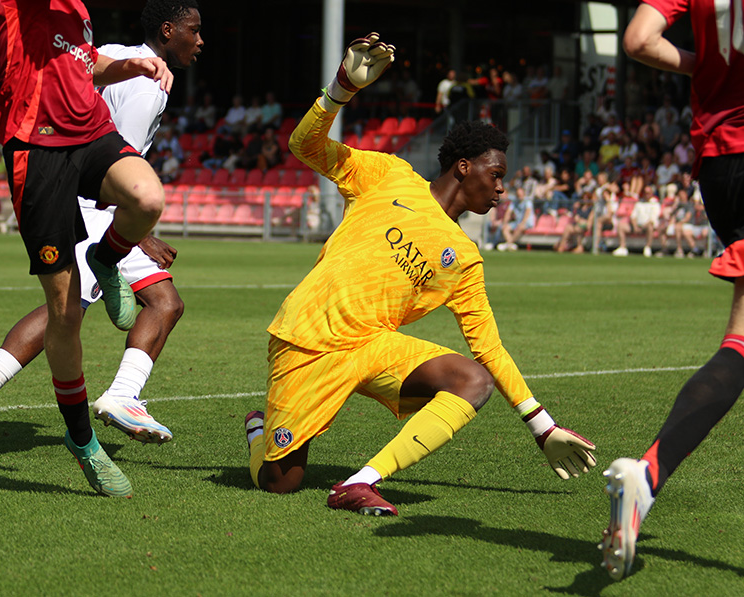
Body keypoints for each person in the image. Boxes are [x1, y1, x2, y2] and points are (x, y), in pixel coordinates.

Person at [244, 33, 597, 517]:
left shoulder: (466, 258)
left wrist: (543, 427)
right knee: (280, 483)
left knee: (472, 381)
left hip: (372, 344)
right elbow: (303, 144)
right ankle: (259, 433)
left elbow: (488, 347)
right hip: (308, 337)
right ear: (464, 166)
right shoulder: (389, 175)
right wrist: (342, 87)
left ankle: (360, 482)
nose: (500, 190)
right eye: (495, 176)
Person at [0, 0, 200, 496]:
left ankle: (120, 394)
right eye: (194, 31)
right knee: (68, 310)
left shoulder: (124, 58)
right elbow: (110, 157)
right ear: (168, 31)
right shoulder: (149, 84)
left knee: (163, 302)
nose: (200, 41)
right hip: (90, 206)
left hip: (96, 202)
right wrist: (137, 230)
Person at [600, 0, 744, 579]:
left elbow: (636, 40)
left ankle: (646, 479)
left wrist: (704, 64)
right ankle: (648, 475)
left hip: (724, 165)